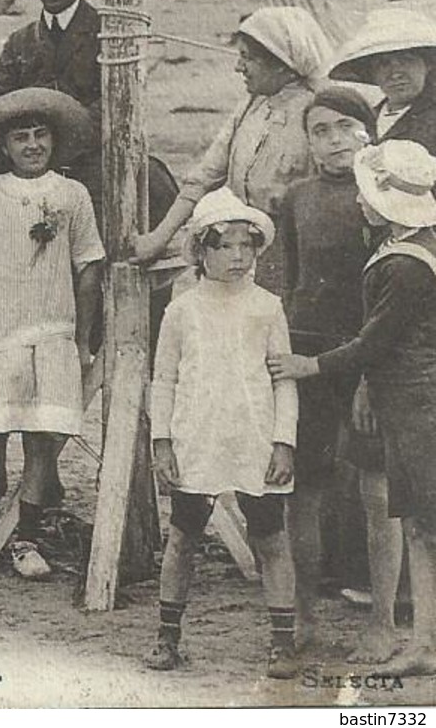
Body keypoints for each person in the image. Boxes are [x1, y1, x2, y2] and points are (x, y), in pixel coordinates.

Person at [269, 140, 436, 677]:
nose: (359, 202)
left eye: (368, 195)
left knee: (423, 524)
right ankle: (425, 642)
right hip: (406, 397)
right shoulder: (409, 249)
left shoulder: (404, 267)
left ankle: (424, 644)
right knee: (418, 524)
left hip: (416, 402)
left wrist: (308, 365)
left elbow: (372, 344)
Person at [0, 88, 104, 580]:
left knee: (41, 441)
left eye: (40, 136)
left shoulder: (72, 195)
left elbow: (89, 266)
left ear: (53, 142)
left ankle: (26, 540)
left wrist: (79, 339)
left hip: (52, 331)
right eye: (21, 138)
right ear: (5, 147)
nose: (32, 145)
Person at [146, 188, 299, 679]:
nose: (237, 256)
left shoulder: (268, 307)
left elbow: (283, 379)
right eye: (224, 245)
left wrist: (284, 440)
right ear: (201, 251)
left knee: (271, 538)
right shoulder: (183, 310)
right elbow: (164, 377)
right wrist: (163, 440)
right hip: (199, 437)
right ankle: (168, 638)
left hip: (254, 439)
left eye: (246, 245)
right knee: (183, 537)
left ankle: (283, 643)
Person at [273, 87, 379, 655]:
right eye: (320, 131)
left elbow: (392, 301)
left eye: (345, 127)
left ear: (368, 130)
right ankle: (305, 616)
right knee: (304, 488)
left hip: (368, 356)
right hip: (305, 354)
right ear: (309, 142)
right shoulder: (296, 198)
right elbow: (289, 285)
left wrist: (366, 373)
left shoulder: (388, 196)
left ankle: (384, 618)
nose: (334, 140)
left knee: (375, 487)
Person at [132, 7, 333, 291]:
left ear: (281, 64)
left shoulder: (319, 115)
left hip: (291, 258)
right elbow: (204, 177)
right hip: (239, 248)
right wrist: (157, 239)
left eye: (247, 58)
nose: (238, 67)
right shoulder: (251, 105)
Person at [327, 7, 436, 154]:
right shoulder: (365, 119)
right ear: (372, 73)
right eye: (383, 64)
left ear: (428, 64)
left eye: (406, 60)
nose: (395, 74)